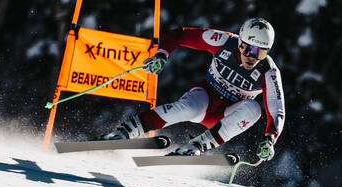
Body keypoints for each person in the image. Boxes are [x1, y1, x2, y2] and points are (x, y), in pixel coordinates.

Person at [101, 17, 285, 161]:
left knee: (254, 109)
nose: (252, 57)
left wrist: (270, 140)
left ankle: (196, 146)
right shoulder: (223, 42)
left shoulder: (269, 72)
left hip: (226, 116)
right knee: (190, 108)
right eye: (249, 49)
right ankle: (124, 132)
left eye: (261, 52)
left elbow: (277, 111)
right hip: (204, 98)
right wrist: (161, 55)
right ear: (240, 42)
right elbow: (180, 34)